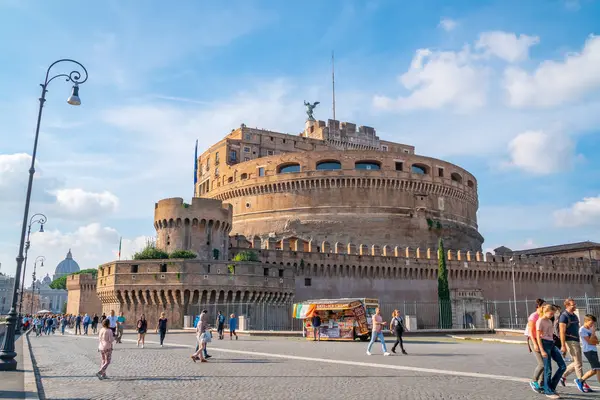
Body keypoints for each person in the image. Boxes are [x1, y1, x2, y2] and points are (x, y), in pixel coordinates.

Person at [536, 304, 566, 399]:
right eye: (551, 313)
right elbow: (538, 336)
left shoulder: (549, 321)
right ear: (545, 311)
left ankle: (551, 387)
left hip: (551, 343)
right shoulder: (540, 321)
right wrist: (542, 350)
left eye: (553, 314)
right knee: (548, 369)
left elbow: (550, 334)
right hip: (544, 344)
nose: (552, 315)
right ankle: (548, 391)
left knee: (563, 366)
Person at [558, 298, 588, 392]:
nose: (575, 306)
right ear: (567, 305)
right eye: (573, 305)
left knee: (577, 362)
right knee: (578, 363)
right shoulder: (564, 316)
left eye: (575, 304)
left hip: (576, 340)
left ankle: (562, 376)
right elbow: (562, 332)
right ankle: (581, 381)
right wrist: (563, 345)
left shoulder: (574, 315)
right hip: (570, 341)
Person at [526, 298, 546, 393]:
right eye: (544, 306)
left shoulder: (543, 316)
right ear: (539, 306)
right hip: (533, 340)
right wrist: (534, 344)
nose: (545, 307)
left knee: (546, 363)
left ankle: (542, 383)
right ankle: (534, 381)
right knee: (542, 364)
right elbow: (530, 331)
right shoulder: (533, 316)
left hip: (542, 340)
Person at [577, 314, 599, 390]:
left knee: (594, 370)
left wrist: (593, 338)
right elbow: (590, 342)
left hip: (594, 350)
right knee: (598, 368)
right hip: (588, 351)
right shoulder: (582, 330)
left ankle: (580, 380)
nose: (592, 325)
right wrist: (593, 334)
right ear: (586, 321)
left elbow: (596, 341)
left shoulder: (590, 329)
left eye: (593, 323)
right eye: (591, 323)